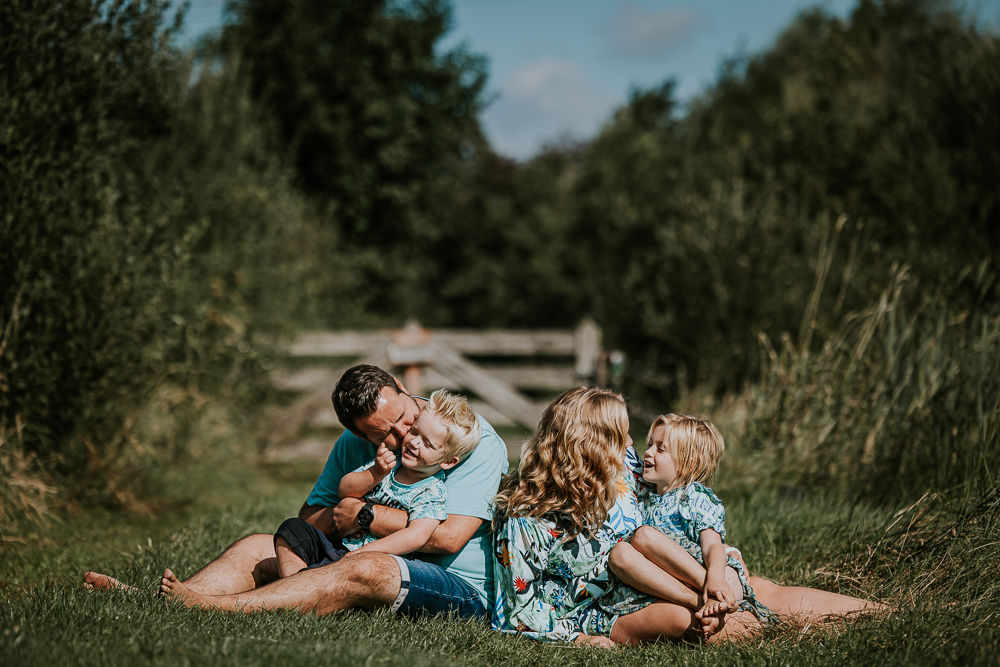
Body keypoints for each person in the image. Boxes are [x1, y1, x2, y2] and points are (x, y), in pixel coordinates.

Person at [85, 364, 507, 621]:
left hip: (454, 582)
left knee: (368, 569)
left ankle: (215, 608)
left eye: (404, 419)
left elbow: (449, 536)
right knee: (259, 545)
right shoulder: (355, 446)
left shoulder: (467, 439)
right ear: (358, 433)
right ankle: (157, 603)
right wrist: (339, 514)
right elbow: (312, 515)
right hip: (363, 552)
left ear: (398, 384)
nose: (403, 436)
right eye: (385, 433)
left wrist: (363, 516)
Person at [492, 387, 884, 647]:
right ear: (590, 447)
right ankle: (802, 635)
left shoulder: (621, 469)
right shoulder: (525, 519)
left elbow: (675, 500)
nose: (632, 445)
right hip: (605, 610)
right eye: (623, 436)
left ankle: (889, 616)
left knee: (762, 588)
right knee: (691, 619)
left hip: (670, 572)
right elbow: (520, 612)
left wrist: (717, 551)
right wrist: (576, 640)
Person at [272, 389, 481, 577]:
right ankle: (294, 582)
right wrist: (375, 472)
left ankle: (304, 587)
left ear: (448, 461)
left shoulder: (431, 491)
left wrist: (364, 553)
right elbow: (345, 489)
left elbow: (416, 536)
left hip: (377, 559)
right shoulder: (389, 462)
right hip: (342, 546)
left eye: (427, 443)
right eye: (415, 432)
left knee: (357, 571)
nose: (414, 442)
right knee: (293, 528)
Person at [606, 414, 777, 632]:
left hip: (712, 573)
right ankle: (703, 603)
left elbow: (712, 545)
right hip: (673, 582)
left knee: (643, 535)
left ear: (687, 463)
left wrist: (715, 575)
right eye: (650, 445)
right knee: (620, 552)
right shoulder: (644, 498)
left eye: (660, 449)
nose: (647, 453)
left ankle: (716, 595)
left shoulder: (694, 497)